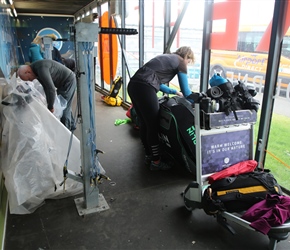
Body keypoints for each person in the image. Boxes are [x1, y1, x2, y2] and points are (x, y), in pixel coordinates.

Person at [127, 46, 195, 171]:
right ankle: (156, 162)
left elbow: (155, 79)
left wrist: (173, 91)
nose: (188, 65)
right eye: (189, 62)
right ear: (188, 57)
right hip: (145, 87)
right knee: (153, 125)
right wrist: (193, 102)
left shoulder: (167, 57)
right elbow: (186, 91)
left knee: (144, 124)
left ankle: (149, 155)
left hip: (133, 85)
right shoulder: (181, 62)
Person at [17, 59, 76, 131]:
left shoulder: (41, 68)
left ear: (28, 72)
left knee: (64, 107)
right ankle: (72, 126)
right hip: (62, 83)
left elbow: (51, 89)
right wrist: (48, 103)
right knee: (64, 104)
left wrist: (50, 106)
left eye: (29, 78)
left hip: (68, 81)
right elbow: (46, 88)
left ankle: (67, 131)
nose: (31, 81)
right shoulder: (36, 70)